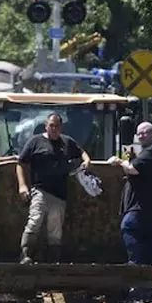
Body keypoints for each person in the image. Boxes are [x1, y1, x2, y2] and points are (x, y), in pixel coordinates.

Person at [16, 113, 91, 264]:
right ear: (46, 126)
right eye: (51, 125)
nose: (54, 129)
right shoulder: (35, 141)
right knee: (35, 220)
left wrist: (87, 160)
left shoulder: (66, 142)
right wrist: (22, 185)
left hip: (60, 193)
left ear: (61, 127)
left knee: (55, 228)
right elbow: (21, 163)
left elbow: (81, 151)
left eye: (57, 126)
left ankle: (53, 260)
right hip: (40, 189)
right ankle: (25, 253)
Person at [107, 122, 152, 265]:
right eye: (139, 133)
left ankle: (136, 265)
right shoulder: (149, 152)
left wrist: (118, 161)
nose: (142, 136)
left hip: (146, 204)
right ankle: (149, 272)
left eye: (145, 132)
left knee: (129, 225)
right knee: (149, 238)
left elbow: (132, 169)